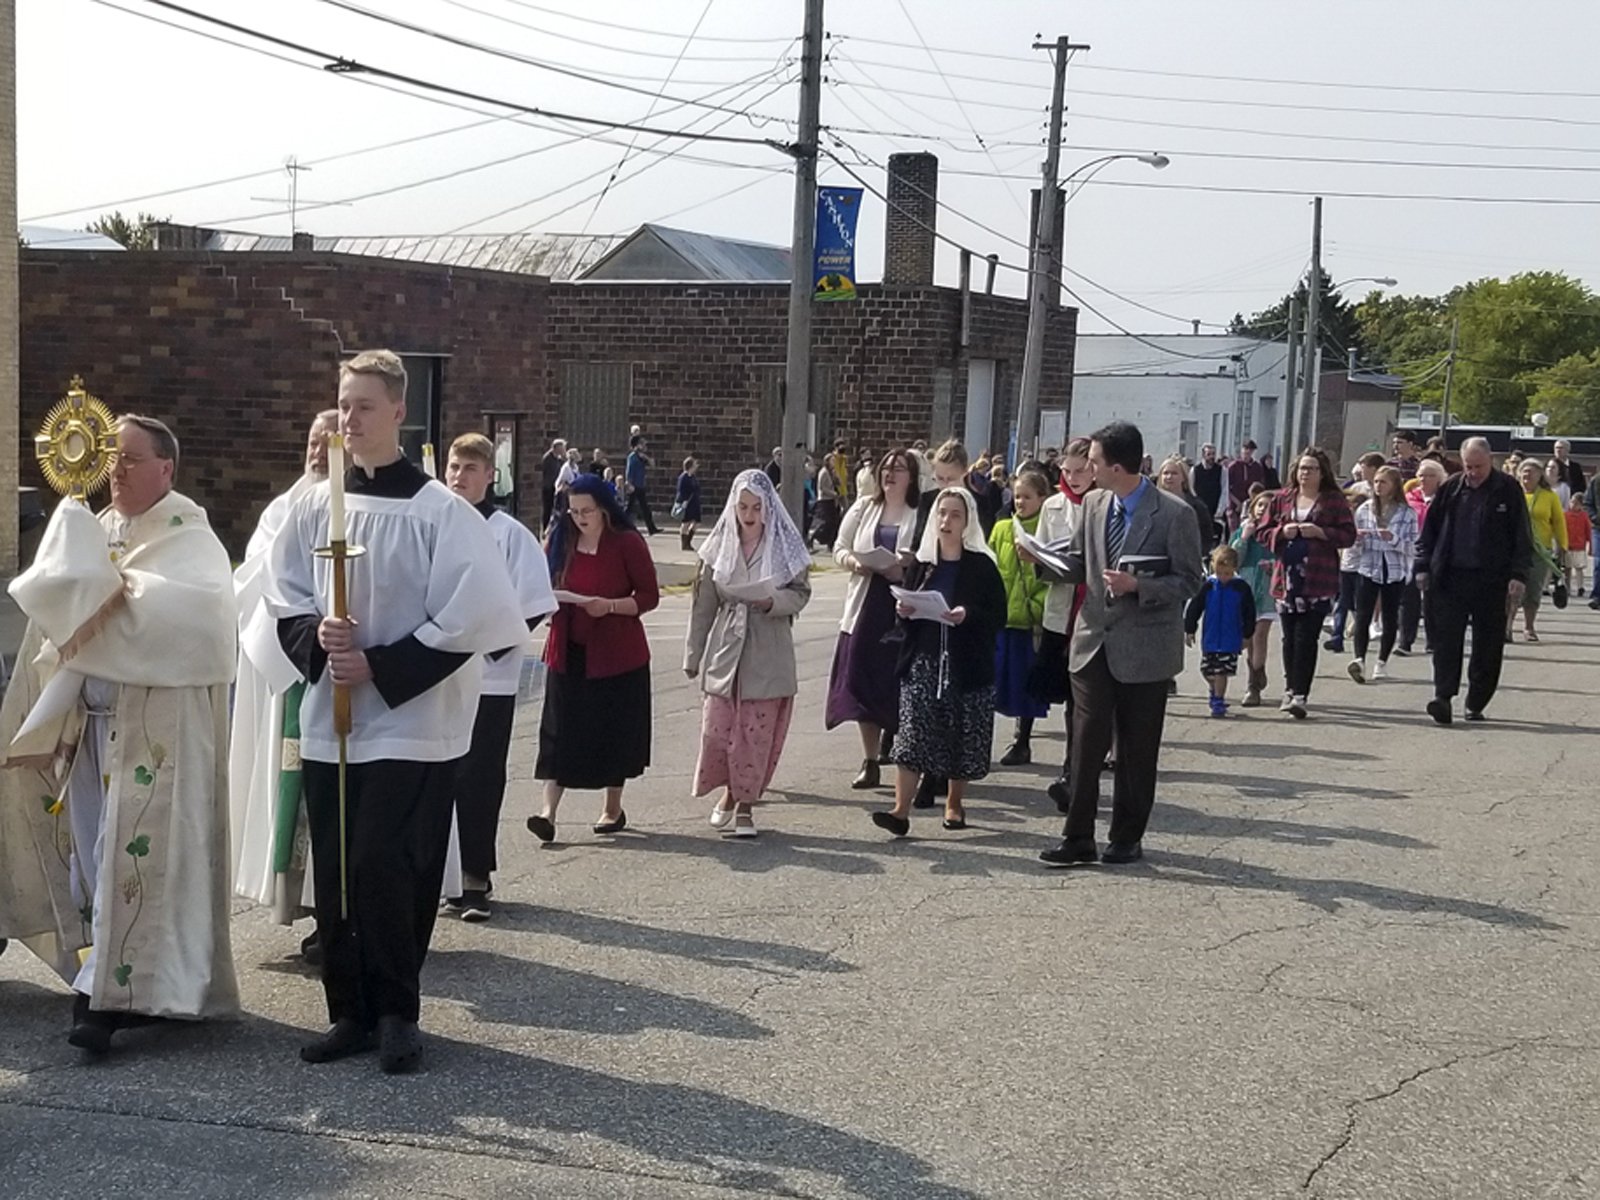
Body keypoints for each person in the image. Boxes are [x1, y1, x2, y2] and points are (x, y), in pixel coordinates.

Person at [268, 351, 529, 1074]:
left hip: (412, 723)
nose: (348, 418)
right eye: (343, 404)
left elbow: (478, 613)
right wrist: (316, 641)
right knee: (340, 865)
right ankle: (347, 1008)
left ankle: (396, 1012)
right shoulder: (315, 502)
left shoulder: (439, 511)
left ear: (397, 413)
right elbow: (283, 589)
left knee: (389, 861)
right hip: (334, 717)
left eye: (363, 406)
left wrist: (380, 664)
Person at [0, 414, 239, 1055]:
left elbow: (202, 620)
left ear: (167, 468)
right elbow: (53, 621)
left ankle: (103, 999)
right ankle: (112, 980)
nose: (117, 470)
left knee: (123, 858)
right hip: (90, 727)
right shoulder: (97, 528)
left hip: (157, 736)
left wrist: (112, 594)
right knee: (89, 855)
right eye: (112, 458)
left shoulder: (191, 536)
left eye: (131, 459)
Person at [1037, 421, 1204, 868]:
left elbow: (1190, 579)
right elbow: (1079, 562)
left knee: (1135, 749)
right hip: (1093, 641)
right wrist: (1044, 561)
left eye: (1092, 462)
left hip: (1145, 649)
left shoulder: (1173, 513)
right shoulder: (1093, 504)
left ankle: (1126, 836)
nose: (1086, 470)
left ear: (1116, 466)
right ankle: (1077, 837)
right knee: (1086, 746)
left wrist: (1139, 586)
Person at [231, 409, 337, 964]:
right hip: (295, 672)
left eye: (331, 441)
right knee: (292, 794)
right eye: (314, 441)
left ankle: (337, 915)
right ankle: (305, 906)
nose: (320, 451)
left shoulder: (356, 511)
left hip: (342, 670)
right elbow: (255, 579)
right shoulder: (282, 511)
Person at [442, 434, 557, 923]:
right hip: (434, 678)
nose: (459, 476)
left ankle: (473, 877)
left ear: (491, 475)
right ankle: (436, 875)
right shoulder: (432, 523)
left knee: (478, 776)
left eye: (470, 468)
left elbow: (531, 604)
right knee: (431, 779)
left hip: (488, 679)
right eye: (453, 466)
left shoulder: (510, 534)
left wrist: (492, 644)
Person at [528, 475, 661, 841]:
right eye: (573, 511)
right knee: (559, 732)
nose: (579, 518)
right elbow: (540, 583)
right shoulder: (561, 537)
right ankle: (547, 813)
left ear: (603, 509)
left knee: (611, 733)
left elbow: (649, 596)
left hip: (616, 655)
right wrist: (550, 603)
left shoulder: (626, 542)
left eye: (586, 511)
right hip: (567, 650)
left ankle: (611, 808)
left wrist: (612, 606)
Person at [870, 488, 1007, 837]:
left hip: (966, 663)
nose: (947, 521)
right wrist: (904, 610)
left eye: (955, 515)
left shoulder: (982, 565)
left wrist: (967, 614)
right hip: (924, 660)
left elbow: (997, 615)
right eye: (942, 514)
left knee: (962, 732)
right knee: (912, 733)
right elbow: (905, 615)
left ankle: (954, 804)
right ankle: (900, 810)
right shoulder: (922, 563)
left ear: (967, 521)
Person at [684, 470, 813, 838]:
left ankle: (744, 805)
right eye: (743, 506)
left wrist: (773, 600)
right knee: (718, 730)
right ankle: (726, 793)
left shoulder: (784, 547)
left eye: (756, 507)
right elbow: (703, 604)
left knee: (754, 734)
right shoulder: (718, 545)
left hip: (768, 645)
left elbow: (801, 593)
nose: (749, 514)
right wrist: (693, 655)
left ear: (768, 509)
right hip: (727, 645)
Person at [1415, 437, 1533, 725]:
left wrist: (1519, 575)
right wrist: (1422, 566)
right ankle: (1443, 697)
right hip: (1451, 576)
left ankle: (1476, 701)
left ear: (1490, 460)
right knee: (1446, 642)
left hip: (1491, 580)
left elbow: (1522, 536)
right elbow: (1428, 532)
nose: (1473, 472)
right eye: (1468, 466)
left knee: (1488, 644)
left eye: (1478, 466)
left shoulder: (1507, 488)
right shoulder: (1452, 488)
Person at [826, 449, 921, 790]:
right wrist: (854, 562)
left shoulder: (919, 513)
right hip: (866, 604)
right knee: (864, 681)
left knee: (898, 683)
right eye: (886, 468)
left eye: (898, 469)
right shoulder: (865, 507)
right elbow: (839, 546)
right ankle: (870, 760)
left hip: (902, 606)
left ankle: (900, 751)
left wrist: (909, 565)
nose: (889, 475)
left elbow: (934, 554)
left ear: (912, 476)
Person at [1255, 447, 1357, 720]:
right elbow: (1262, 532)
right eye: (1302, 468)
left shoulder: (1333, 500)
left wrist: (1321, 532)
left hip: (1318, 578)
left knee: (1306, 637)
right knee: (1289, 638)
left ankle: (1301, 694)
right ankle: (1289, 688)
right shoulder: (1281, 498)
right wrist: (1281, 532)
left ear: (1322, 472)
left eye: (1311, 469)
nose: (1305, 473)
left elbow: (1349, 535)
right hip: (1286, 579)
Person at [1032, 439, 1094, 806]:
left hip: (1096, 609)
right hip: (1062, 611)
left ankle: (1080, 771)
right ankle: (1071, 772)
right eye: (1066, 471)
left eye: (1079, 471)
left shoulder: (1104, 503)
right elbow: (1043, 553)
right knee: (1071, 697)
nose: (1072, 478)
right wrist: (1037, 558)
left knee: (1090, 699)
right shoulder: (1054, 505)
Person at [989, 467, 1051, 765]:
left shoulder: (1047, 531)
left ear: (1042, 498)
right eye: (1016, 496)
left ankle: (1022, 741)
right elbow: (989, 567)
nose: (1020, 502)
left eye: (1027, 497)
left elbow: (1052, 578)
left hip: (1028, 623)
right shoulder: (1002, 529)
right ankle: (980, 741)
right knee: (990, 683)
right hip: (1000, 619)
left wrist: (1037, 608)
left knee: (1026, 685)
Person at [1346, 466, 1418, 684]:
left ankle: (1382, 662)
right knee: (1363, 615)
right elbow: (1353, 544)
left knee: (1389, 616)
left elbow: (1414, 547)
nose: (1378, 486)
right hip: (1368, 567)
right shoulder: (1364, 510)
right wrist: (1356, 540)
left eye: (1383, 482)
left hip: (1394, 570)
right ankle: (1359, 660)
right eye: (1376, 482)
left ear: (1394, 485)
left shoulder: (1407, 513)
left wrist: (1393, 539)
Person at [1183, 545, 1256, 717]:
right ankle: (1214, 691)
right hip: (1210, 638)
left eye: (1228, 574)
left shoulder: (1241, 588)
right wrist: (1190, 629)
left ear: (1234, 569)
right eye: (1221, 573)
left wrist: (1247, 634)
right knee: (1207, 670)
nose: (1224, 578)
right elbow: (1195, 608)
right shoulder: (1208, 586)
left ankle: (1218, 702)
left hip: (1230, 639)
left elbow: (1249, 613)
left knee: (1221, 671)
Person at [1325, 453, 1385, 655]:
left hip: (1366, 564)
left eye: (1364, 465)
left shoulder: (1378, 505)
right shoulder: (1356, 489)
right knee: (1342, 601)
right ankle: (1337, 636)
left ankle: (1364, 629)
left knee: (1359, 603)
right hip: (1348, 563)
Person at [1230, 489, 1277, 707]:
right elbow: (1231, 561)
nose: (1262, 510)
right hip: (1245, 590)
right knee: (1246, 638)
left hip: (1267, 591)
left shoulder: (1277, 533)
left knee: (1260, 635)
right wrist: (1245, 538)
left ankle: (1253, 686)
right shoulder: (1243, 531)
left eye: (1268, 506)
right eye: (1259, 505)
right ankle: (1257, 670)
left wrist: (1275, 567)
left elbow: (1284, 558)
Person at [1514, 458, 1567, 644]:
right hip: (1513, 549)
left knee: (1533, 590)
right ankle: (1505, 627)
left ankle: (1529, 627)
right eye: (1524, 471)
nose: (1527, 475)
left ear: (1540, 475)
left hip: (1539, 550)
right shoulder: (1512, 493)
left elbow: (1559, 522)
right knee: (1510, 591)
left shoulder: (1548, 496)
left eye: (1532, 472)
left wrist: (1562, 546)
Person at [1398, 459, 1448, 655]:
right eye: (1421, 475)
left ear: (1439, 479)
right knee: (1408, 599)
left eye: (1429, 475)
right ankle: (1405, 642)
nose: (1424, 479)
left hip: (1435, 553)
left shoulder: (1445, 499)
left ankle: (1433, 641)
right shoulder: (1409, 498)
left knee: (1432, 599)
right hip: (1410, 552)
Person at [1158, 454, 1216, 559]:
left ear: (1183, 477)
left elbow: (1206, 535)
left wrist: (1198, 555)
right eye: (1165, 473)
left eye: (1174, 473)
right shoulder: (1153, 504)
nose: (1169, 477)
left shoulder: (1197, 506)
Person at [624, 434, 661, 535]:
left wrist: (647, 458)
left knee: (644, 508)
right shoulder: (632, 457)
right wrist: (629, 483)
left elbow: (653, 465)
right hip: (634, 485)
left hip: (640, 485)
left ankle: (651, 528)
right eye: (642, 444)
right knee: (629, 508)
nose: (644, 446)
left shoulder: (641, 457)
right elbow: (629, 471)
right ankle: (621, 525)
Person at [1226, 439, 1266, 526]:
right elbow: (1226, 487)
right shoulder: (1233, 466)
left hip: (1250, 504)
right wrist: (1237, 503)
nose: (1247, 453)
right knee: (1234, 531)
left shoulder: (1257, 467)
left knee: (1247, 529)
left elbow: (1259, 486)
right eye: (1245, 449)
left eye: (1250, 451)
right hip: (1234, 505)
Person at [1192, 444, 1225, 540]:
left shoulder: (1221, 470)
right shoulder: (1195, 470)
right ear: (1203, 455)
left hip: (1214, 508)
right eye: (1209, 454)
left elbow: (1224, 490)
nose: (1212, 457)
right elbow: (1192, 489)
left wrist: (1220, 509)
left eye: (1213, 454)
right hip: (1200, 508)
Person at [810, 450, 842, 548]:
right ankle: (813, 537)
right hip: (825, 500)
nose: (833, 463)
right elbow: (822, 488)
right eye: (831, 461)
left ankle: (831, 543)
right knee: (826, 522)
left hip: (832, 500)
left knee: (835, 522)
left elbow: (839, 483)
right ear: (827, 461)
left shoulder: (831, 472)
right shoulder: (823, 472)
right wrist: (833, 494)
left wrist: (836, 476)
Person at [1565, 491, 1592, 598]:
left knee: (1579, 568)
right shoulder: (1565, 515)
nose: (1573, 505)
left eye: (1576, 503)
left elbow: (1588, 531)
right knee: (1567, 568)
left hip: (1579, 546)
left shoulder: (1584, 516)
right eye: (1571, 502)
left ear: (1581, 505)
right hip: (1568, 546)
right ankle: (1567, 587)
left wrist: (1590, 545)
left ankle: (1580, 586)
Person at [674, 457, 703, 551]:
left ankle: (688, 541)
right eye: (694, 465)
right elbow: (681, 491)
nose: (696, 467)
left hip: (694, 502)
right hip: (687, 503)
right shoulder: (683, 477)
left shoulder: (693, 477)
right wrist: (683, 501)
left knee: (697, 523)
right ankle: (684, 543)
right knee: (685, 523)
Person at [539, 437, 567, 532]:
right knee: (547, 509)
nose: (564, 450)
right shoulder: (547, 458)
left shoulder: (559, 460)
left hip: (555, 487)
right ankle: (545, 528)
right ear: (557, 448)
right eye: (562, 448)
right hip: (548, 487)